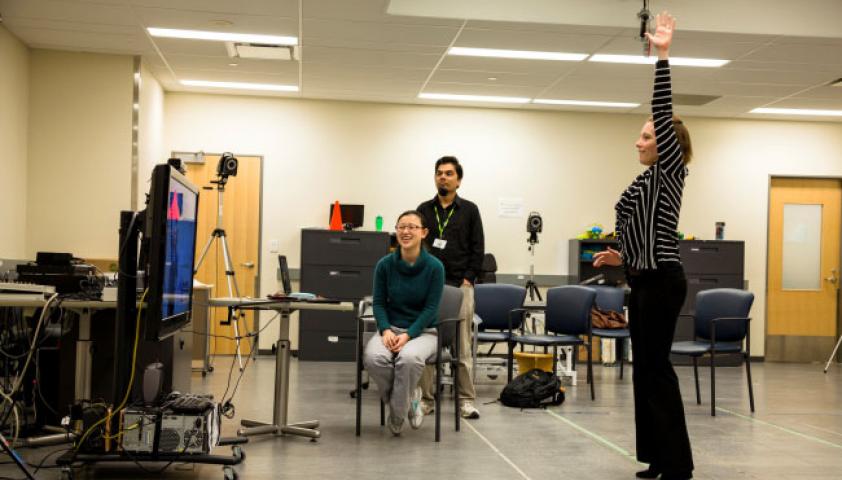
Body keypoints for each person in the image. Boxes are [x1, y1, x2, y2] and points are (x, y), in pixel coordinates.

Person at [592, 12, 694, 480]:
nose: (640, 140)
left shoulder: (671, 170)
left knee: (657, 368)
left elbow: (662, 102)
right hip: (643, 279)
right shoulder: (647, 178)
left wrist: (664, 57)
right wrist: (623, 258)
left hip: (663, 282)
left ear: (668, 144)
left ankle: (677, 464)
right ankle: (655, 456)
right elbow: (641, 231)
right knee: (643, 371)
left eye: (648, 135)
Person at [363, 210, 445, 436]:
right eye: (401, 227)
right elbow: (378, 303)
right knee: (374, 358)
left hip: (424, 332)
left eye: (412, 227)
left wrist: (408, 335)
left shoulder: (435, 267)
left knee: (409, 358)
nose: (406, 231)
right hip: (391, 328)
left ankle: (397, 415)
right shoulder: (384, 265)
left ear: (424, 233)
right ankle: (410, 402)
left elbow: (430, 309)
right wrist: (386, 329)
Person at [416, 156, 484, 419]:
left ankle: (466, 400)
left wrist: (468, 279)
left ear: (458, 180)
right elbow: (416, 246)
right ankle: (426, 400)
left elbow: (478, 248)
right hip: (429, 286)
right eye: (439, 173)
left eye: (448, 173)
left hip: (459, 287)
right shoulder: (423, 209)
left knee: (462, 345)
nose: (442, 177)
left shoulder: (470, 210)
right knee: (426, 342)